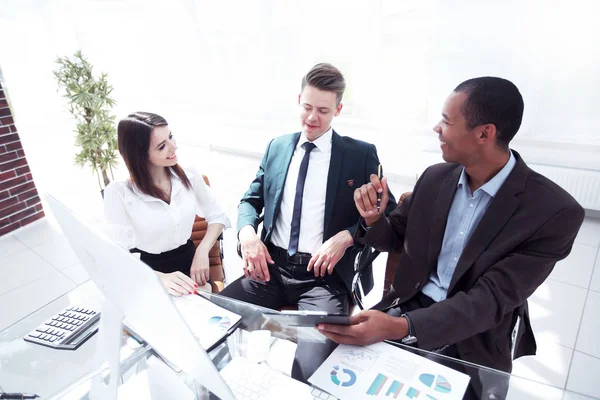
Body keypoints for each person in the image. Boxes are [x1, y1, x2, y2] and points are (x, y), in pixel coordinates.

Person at [317, 77, 585, 399]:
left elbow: (489, 301)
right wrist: (373, 219)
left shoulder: (553, 213)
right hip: (408, 305)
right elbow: (396, 236)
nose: (436, 129)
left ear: (485, 133)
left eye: (446, 121)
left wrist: (402, 328)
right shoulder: (435, 177)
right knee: (335, 378)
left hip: (476, 335)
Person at [220, 63, 396, 382]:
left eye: (323, 111)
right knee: (213, 320)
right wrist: (247, 235)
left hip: (323, 280)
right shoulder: (277, 147)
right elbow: (250, 200)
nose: (312, 118)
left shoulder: (360, 155)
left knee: (310, 370)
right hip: (270, 269)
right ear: (298, 99)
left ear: (338, 110)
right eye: (307, 107)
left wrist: (346, 237)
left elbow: (388, 212)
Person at [103, 112, 231, 296]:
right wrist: (160, 278)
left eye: (170, 137)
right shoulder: (119, 192)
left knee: (204, 314)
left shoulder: (190, 176)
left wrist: (202, 251)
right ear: (139, 154)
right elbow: (118, 256)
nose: (173, 147)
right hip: (148, 272)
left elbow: (218, 216)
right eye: (162, 146)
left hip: (190, 264)